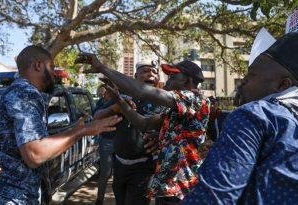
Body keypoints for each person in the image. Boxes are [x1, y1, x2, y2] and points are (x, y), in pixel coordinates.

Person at [182, 32, 298, 204]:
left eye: (251, 75)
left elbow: (214, 197)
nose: (242, 82)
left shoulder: (255, 114)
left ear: (282, 85)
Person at [0, 45, 122, 204]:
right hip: (6, 198)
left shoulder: (18, 91)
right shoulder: (25, 93)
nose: (54, 73)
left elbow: (30, 141)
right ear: (38, 65)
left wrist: (73, 129)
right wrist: (82, 131)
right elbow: (34, 154)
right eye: (52, 67)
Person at [82, 56, 210, 205]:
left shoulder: (194, 99)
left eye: (173, 76)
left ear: (187, 81)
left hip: (181, 185)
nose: (168, 80)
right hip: (166, 184)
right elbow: (143, 124)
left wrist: (102, 68)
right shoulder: (177, 108)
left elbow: (141, 91)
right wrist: (119, 100)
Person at [93, 60, 164, 205]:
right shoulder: (122, 95)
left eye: (154, 71)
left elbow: (175, 128)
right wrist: (116, 108)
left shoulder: (163, 100)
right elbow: (97, 117)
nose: (150, 74)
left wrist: (160, 137)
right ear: (135, 75)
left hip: (144, 167)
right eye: (145, 71)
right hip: (119, 165)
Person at [93, 86, 115, 205]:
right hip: (106, 140)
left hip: (121, 141)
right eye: (107, 91)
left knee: (119, 174)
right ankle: (99, 199)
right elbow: (95, 115)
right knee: (105, 173)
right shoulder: (101, 103)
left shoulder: (122, 101)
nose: (109, 93)